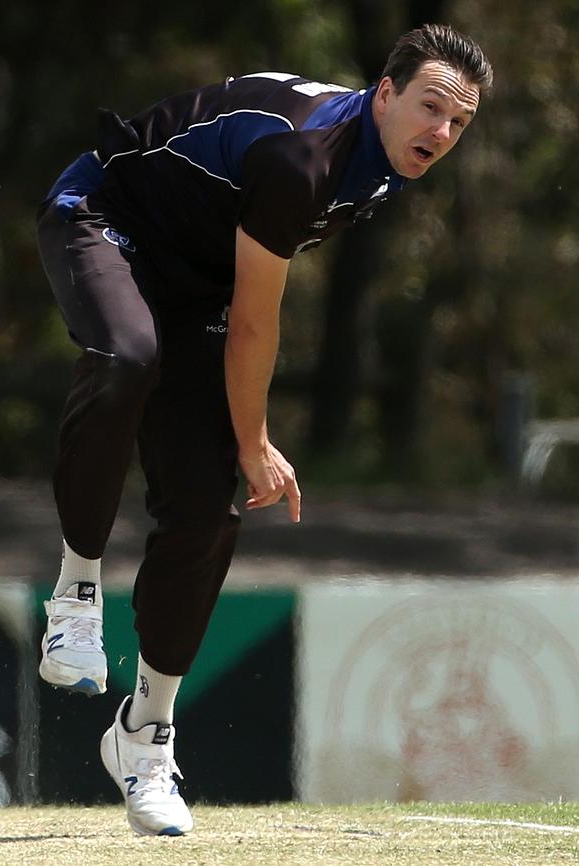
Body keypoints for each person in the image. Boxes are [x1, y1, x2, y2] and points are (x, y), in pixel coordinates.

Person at [36, 23, 492, 836]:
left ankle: (144, 738)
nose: (442, 134)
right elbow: (256, 325)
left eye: (459, 124)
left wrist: (234, 454)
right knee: (126, 357)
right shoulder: (305, 159)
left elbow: (233, 299)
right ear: (382, 93)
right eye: (430, 109)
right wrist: (255, 444)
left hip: (194, 287)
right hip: (105, 220)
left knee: (210, 511)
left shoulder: (379, 165)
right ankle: (74, 593)